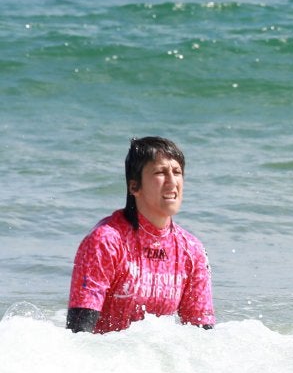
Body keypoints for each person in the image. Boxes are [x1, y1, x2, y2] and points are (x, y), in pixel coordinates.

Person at [67, 136, 215, 334]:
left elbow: (203, 336)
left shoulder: (192, 250)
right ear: (134, 186)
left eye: (177, 172)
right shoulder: (106, 242)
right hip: (106, 352)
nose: (172, 181)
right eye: (160, 172)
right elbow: (78, 334)